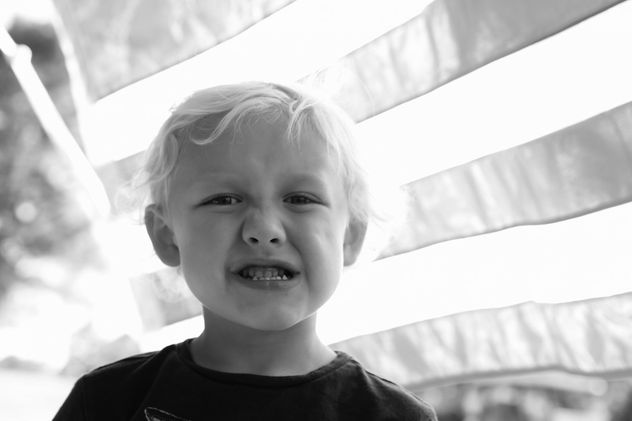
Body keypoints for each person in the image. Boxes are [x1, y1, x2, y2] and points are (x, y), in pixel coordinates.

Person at [53, 81, 437, 421]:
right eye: (224, 199)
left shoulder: (395, 417)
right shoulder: (106, 403)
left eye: (300, 199)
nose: (264, 230)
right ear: (166, 236)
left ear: (350, 236)